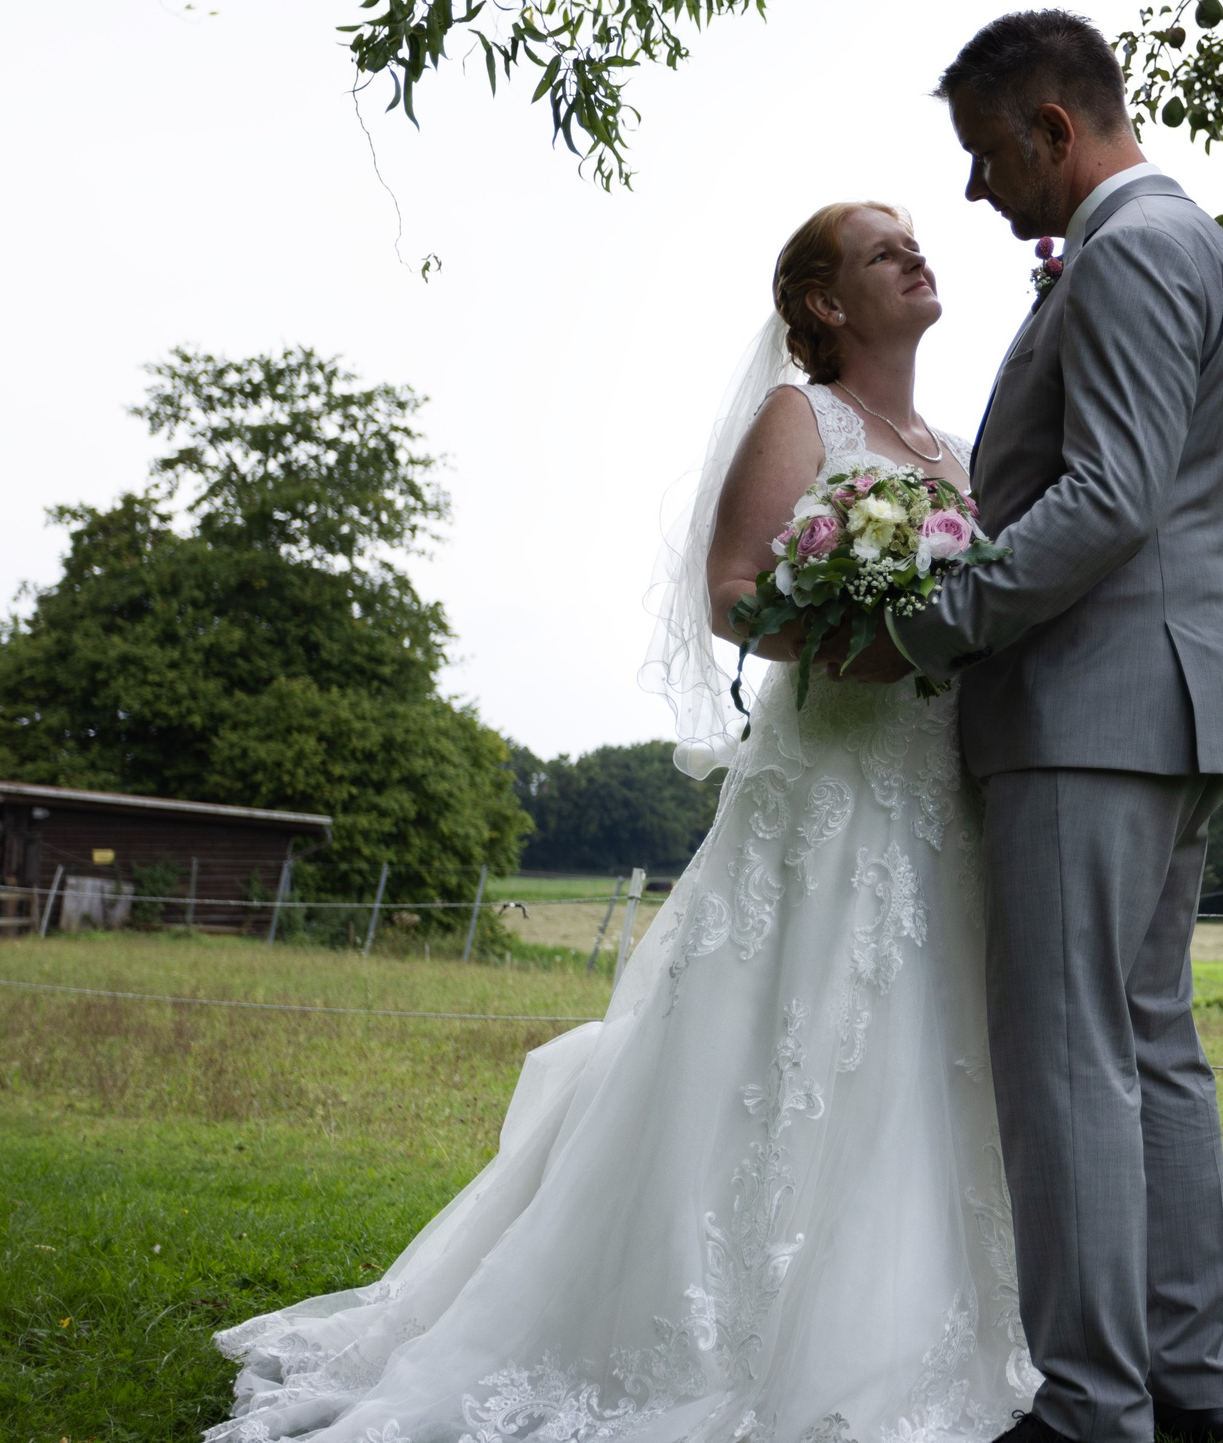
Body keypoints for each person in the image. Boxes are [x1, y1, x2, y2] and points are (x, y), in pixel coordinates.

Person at [206, 201, 1038, 1443]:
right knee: (778, 1051)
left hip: (933, 794)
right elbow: (734, 592)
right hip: (829, 790)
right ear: (820, 303)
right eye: (882, 251)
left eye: (915, 242)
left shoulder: (959, 449)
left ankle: (914, 1334)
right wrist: (854, 634)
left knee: (924, 1052)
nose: (917, 256)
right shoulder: (799, 418)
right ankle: (714, 1337)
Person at [869, 10, 1223, 1443]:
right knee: (1149, 1045)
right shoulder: (1186, 246)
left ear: (1054, 127)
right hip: (1169, 699)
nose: (979, 192)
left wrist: (928, 623)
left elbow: (1106, 502)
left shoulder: (1131, 252)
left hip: (1090, 708)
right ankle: (1185, 1396)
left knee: (1069, 1061)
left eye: (987, 155)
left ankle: (1096, 1409)